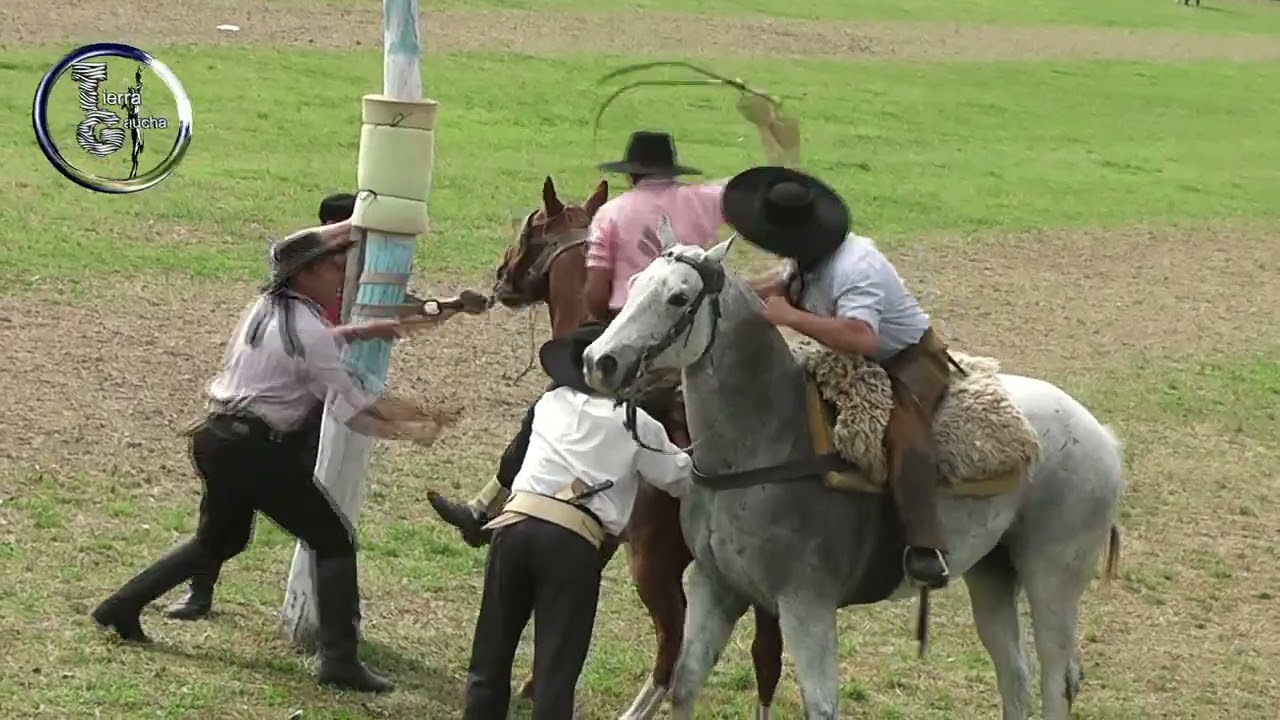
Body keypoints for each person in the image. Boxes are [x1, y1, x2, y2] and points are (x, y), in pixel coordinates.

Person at [91, 218, 451, 693]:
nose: (342, 277)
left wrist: (360, 327)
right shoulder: (309, 329)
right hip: (253, 449)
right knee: (333, 539)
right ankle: (340, 661)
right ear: (308, 275)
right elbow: (354, 406)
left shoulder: (266, 305)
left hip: (218, 438)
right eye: (334, 269)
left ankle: (120, 607)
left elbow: (302, 335)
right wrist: (417, 423)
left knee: (217, 543)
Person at [427, 95, 800, 542]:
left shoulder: (611, 214)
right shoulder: (704, 200)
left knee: (548, 406)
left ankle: (487, 503)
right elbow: (774, 189)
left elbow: (597, 292)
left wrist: (610, 321)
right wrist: (773, 134)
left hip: (634, 340)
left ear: (629, 173)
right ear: (673, 171)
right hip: (699, 337)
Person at [721, 165, 955, 590]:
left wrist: (790, 316)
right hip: (845, 360)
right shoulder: (808, 253)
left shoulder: (856, 265)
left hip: (907, 363)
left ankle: (925, 544)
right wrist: (733, 288)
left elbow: (861, 336)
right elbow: (787, 281)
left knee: (906, 437)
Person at [461, 321, 693, 720]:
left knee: (490, 659)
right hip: (571, 543)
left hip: (514, 527)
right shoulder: (638, 425)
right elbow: (682, 480)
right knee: (556, 671)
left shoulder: (551, 403)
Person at [164, 191, 357, 621]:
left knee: (258, 512)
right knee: (229, 512)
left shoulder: (356, 275)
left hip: (308, 409)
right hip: (277, 409)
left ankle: (185, 590)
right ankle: (199, 588)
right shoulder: (304, 272)